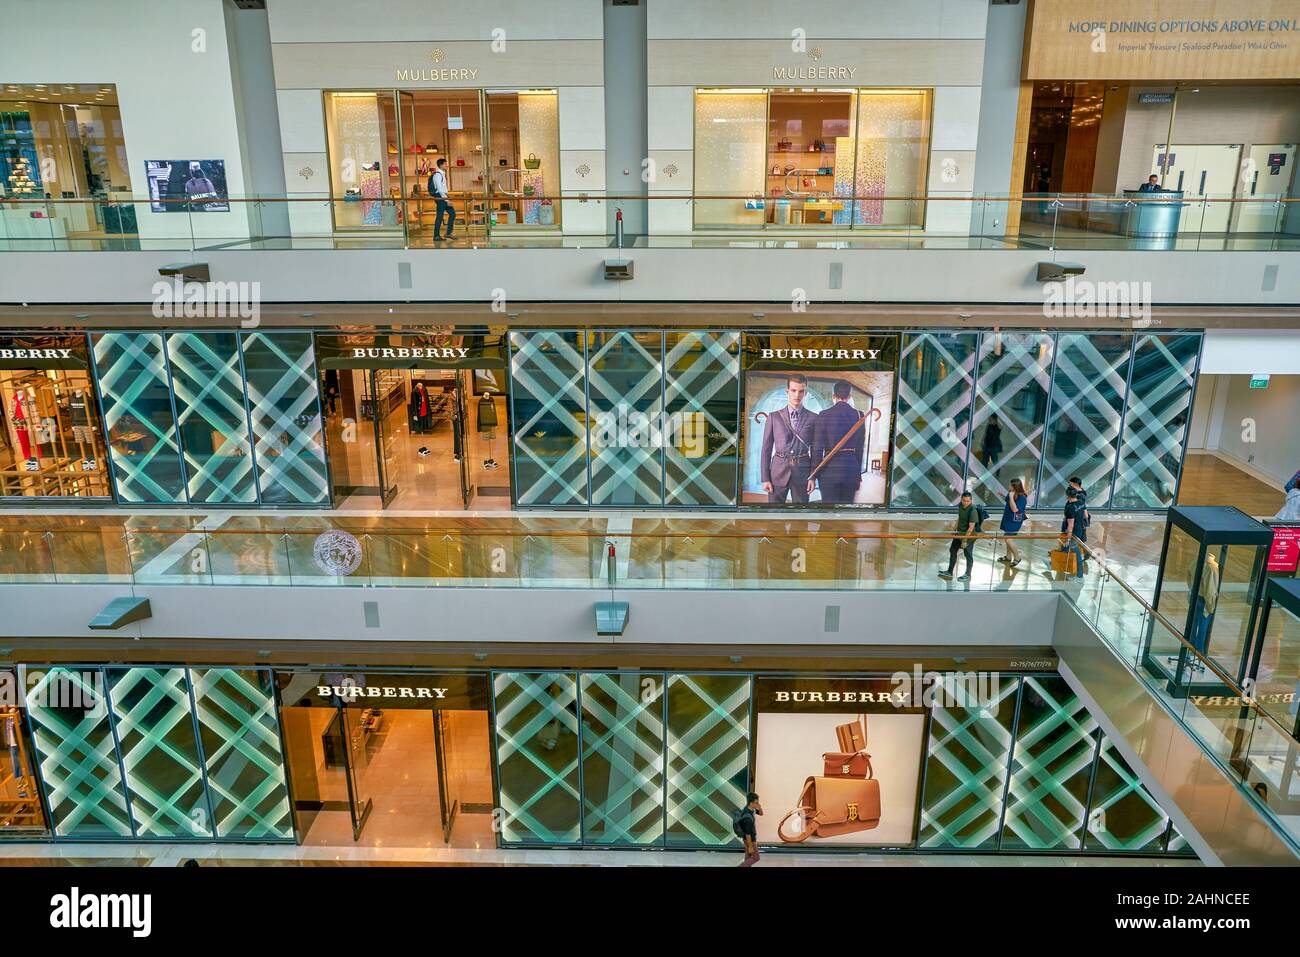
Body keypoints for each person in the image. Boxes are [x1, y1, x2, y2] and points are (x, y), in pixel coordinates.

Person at [760, 375, 819, 504]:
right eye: (793, 390)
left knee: (800, 517)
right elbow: (766, 449)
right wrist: (765, 478)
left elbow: (815, 451)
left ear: (805, 393)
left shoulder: (814, 418)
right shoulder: (774, 417)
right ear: (787, 391)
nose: (797, 395)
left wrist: (812, 477)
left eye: (801, 391)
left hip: (803, 474)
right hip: (777, 473)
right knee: (774, 516)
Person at [812, 379, 866, 505]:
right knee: (846, 510)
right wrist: (857, 474)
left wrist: (813, 475)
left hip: (829, 470)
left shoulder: (823, 415)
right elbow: (860, 448)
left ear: (833, 396)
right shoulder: (859, 415)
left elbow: (817, 448)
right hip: (851, 470)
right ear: (850, 396)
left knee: (828, 511)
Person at [939, 491, 978, 582]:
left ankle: (968, 575)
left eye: (968, 501)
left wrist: (965, 540)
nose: (966, 503)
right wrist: (954, 528)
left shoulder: (973, 510)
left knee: (968, 555)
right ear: (961, 499)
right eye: (964, 500)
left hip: (969, 536)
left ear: (971, 500)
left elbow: (971, 527)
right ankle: (949, 571)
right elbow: (960, 517)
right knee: (953, 550)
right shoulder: (961, 505)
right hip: (959, 534)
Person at [997, 478, 1029, 567]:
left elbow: (1015, 509)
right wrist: (1002, 495)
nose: (1009, 486)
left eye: (1011, 485)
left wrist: (1011, 497)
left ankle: (1017, 557)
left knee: (1008, 538)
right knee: (1007, 538)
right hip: (1008, 518)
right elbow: (1007, 500)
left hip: (1014, 521)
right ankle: (1008, 556)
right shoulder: (1011, 493)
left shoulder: (1022, 497)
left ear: (1015, 486)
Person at [1058, 488, 1086, 580]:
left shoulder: (1070, 507)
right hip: (1081, 530)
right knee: (1065, 548)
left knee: (1076, 553)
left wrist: (1068, 538)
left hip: (1074, 533)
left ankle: (1079, 575)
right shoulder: (1081, 502)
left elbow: (1070, 525)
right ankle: (1052, 562)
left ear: (1067, 496)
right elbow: (1086, 515)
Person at [429, 157, 455, 241]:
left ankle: (448, 233)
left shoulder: (442, 174)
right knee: (440, 216)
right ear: (441, 165)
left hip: (443, 196)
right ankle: (436, 236)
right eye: (445, 164)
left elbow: (443, 188)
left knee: (452, 213)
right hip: (440, 197)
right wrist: (447, 200)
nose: (447, 165)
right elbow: (440, 189)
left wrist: (447, 198)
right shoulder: (437, 175)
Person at [734, 792, 763, 867]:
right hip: (749, 839)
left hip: (747, 838)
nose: (758, 804)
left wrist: (759, 808)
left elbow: (761, 813)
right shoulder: (747, 817)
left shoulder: (751, 809)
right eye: (756, 802)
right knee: (756, 857)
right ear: (751, 803)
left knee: (748, 857)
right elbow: (748, 834)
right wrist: (750, 846)